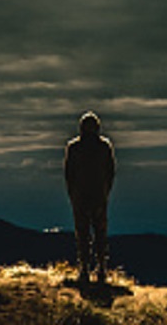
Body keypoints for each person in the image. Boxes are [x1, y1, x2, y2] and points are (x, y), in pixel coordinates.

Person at [63, 110, 116, 284]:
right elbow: (111, 172)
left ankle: (85, 269)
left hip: (80, 196)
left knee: (83, 233)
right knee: (100, 233)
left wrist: (73, 194)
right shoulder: (104, 147)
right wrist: (105, 191)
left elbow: (68, 174)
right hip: (99, 196)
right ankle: (101, 269)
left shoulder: (74, 147)